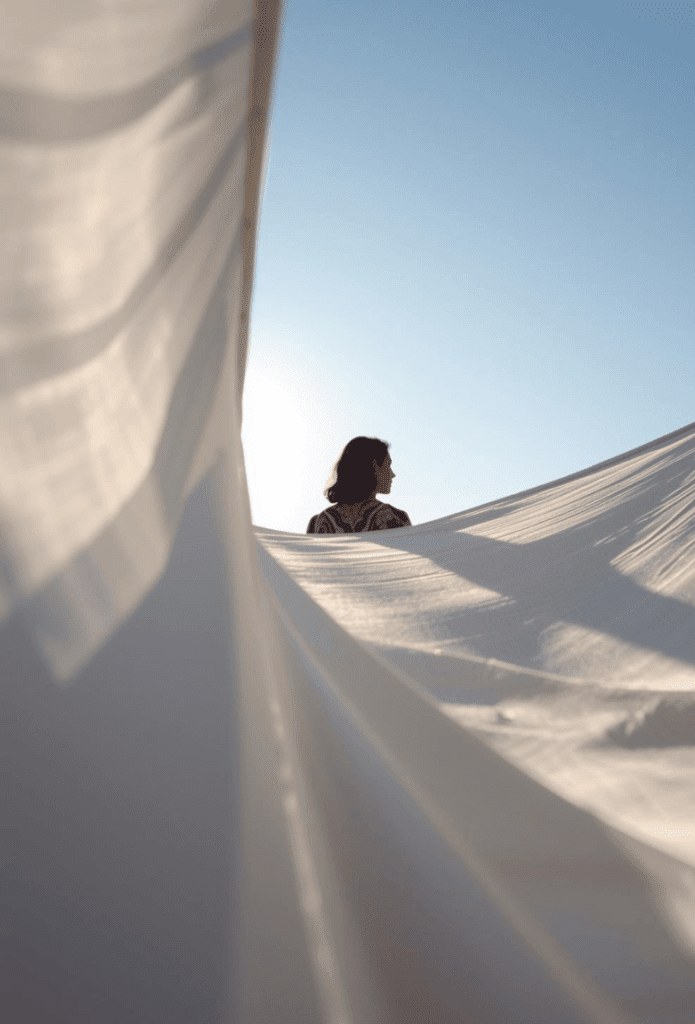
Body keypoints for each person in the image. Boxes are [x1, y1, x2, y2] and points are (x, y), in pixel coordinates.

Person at [306, 436, 412, 533]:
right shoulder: (395, 518)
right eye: (388, 465)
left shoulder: (318, 523)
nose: (392, 474)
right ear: (374, 465)